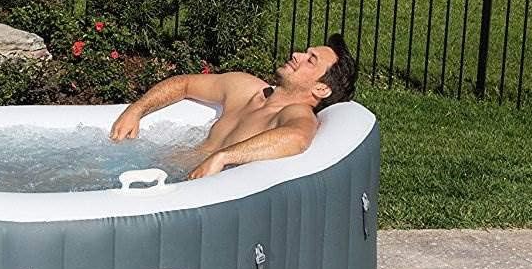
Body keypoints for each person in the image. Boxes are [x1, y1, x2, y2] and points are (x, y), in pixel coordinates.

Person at [110, 34, 358, 179]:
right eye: (305, 52)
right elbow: (185, 84)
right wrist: (137, 110)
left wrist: (223, 157)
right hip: (160, 170)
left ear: (321, 89)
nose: (297, 55)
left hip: (190, 188)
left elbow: (297, 138)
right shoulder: (246, 88)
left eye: (310, 60)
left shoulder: (295, 113)